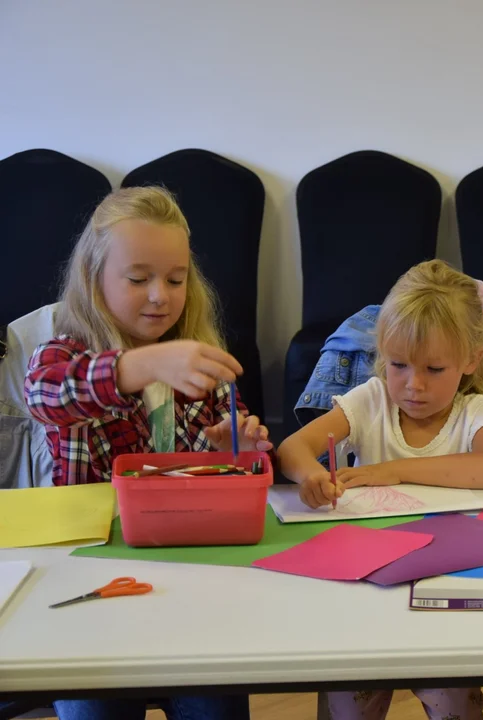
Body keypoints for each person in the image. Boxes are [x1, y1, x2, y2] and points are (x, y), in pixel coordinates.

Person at [22, 186, 256, 717]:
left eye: (175, 280)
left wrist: (226, 451)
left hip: (186, 582)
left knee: (215, 704)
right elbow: (46, 396)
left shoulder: (199, 360)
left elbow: (207, 479)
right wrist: (143, 366)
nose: (160, 295)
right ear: (94, 278)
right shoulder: (63, 353)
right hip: (90, 580)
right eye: (138, 278)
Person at [279, 259, 483, 720]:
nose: (413, 384)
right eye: (398, 365)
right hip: (368, 593)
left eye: (434, 368)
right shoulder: (371, 400)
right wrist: (309, 476)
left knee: (455, 704)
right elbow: (292, 448)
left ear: (470, 360)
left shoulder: (474, 410)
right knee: (350, 701)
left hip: (446, 596)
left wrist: (394, 470)